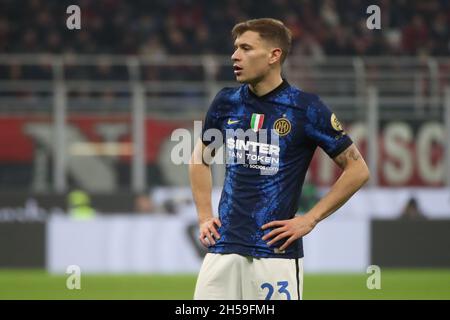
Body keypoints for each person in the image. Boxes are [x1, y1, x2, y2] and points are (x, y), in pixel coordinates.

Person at [189, 18, 370, 300]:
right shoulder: (226, 102)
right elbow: (200, 159)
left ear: (274, 55)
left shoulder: (305, 108)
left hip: (274, 256)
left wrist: (310, 219)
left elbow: (357, 169)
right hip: (222, 250)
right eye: (235, 48)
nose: (235, 56)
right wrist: (204, 217)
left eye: (246, 48)